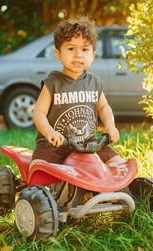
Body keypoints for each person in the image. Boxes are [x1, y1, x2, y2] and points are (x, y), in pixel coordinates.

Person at [31, 17, 123, 167]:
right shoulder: (52, 83)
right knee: (39, 168)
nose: (78, 55)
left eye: (85, 49)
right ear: (58, 54)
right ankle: (36, 188)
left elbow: (103, 107)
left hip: (88, 143)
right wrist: (49, 132)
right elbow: (38, 113)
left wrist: (110, 125)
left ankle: (121, 188)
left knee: (117, 164)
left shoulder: (94, 82)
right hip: (56, 144)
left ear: (93, 54)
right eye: (71, 48)